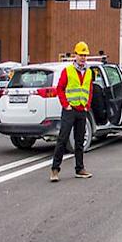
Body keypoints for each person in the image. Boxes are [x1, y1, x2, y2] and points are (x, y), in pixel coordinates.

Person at [50, 41, 94, 182]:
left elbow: (90, 90)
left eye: (85, 55)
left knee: (79, 141)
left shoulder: (89, 72)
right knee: (62, 139)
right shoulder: (67, 71)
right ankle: (55, 169)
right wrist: (66, 105)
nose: (82, 57)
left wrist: (87, 105)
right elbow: (60, 89)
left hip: (82, 110)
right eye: (80, 55)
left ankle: (80, 169)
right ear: (75, 55)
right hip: (70, 110)